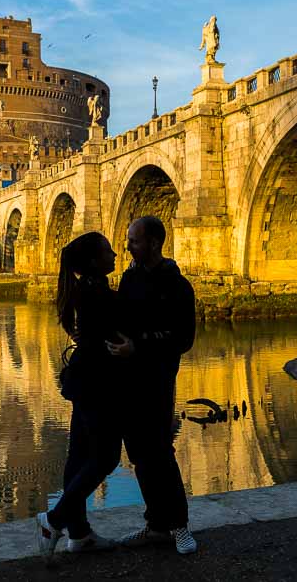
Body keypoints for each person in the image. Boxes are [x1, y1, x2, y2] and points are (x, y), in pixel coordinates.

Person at [107, 216, 198, 555]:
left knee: (160, 452)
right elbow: (120, 323)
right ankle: (156, 524)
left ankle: (180, 526)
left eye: (133, 240)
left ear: (154, 243)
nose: (127, 246)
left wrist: (139, 346)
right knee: (140, 456)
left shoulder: (178, 287)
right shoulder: (129, 280)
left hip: (158, 380)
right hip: (128, 381)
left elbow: (183, 338)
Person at [36, 232, 122, 558]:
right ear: (93, 262)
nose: (115, 254)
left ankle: (80, 533)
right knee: (106, 457)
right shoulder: (98, 295)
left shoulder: (84, 291)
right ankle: (54, 520)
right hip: (97, 385)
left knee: (79, 457)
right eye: (108, 251)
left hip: (82, 381)